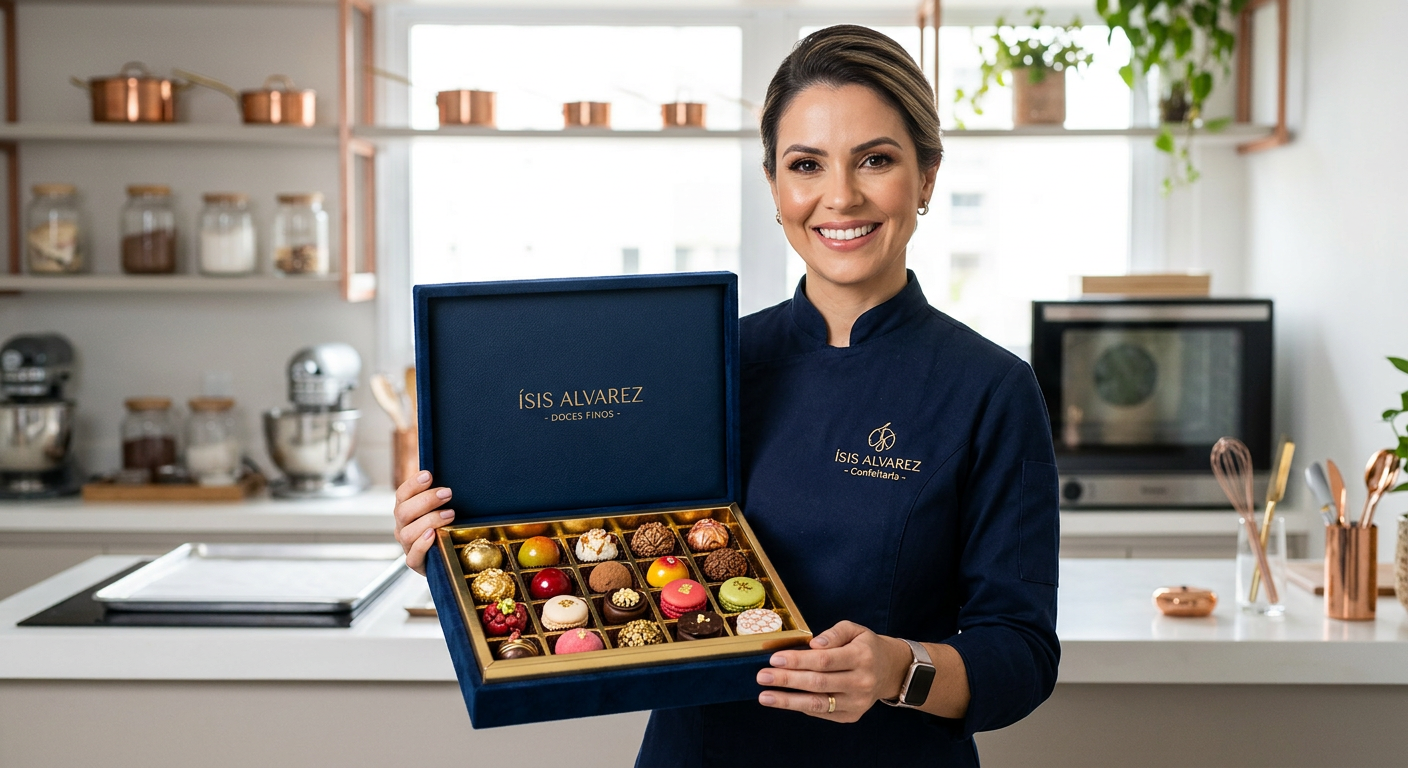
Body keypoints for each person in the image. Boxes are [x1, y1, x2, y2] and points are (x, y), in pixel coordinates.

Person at [393, 24, 1059, 767]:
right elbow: (582, 522)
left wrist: (901, 668)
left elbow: (1022, 651)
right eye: (807, 164)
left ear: (927, 177)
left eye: (876, 159)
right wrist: (453, 532)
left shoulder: (991, 388)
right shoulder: (703, 362)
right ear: (775, 185)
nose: (840, 196)